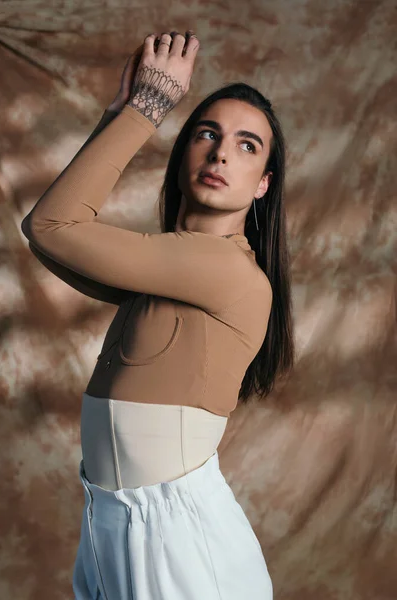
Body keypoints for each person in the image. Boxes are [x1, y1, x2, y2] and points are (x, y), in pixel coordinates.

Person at [21, 28, 294, 600]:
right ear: (182, 157)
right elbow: (45, 235)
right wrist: (117, 115)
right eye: (206, 134)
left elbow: (53, 225)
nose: (221, 152)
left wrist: (146, 108)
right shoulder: (162, 271)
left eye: (248, 146)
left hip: (176, 543)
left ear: (264, 185)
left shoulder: (226, 271)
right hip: (109, 523)